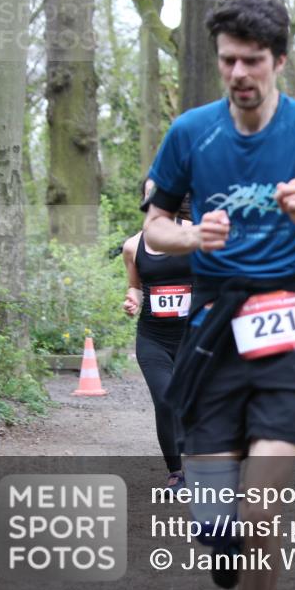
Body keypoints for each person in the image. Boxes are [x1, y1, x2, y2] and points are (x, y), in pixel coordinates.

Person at [140, 0, 295, 590]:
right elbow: (156, 227)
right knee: (218, 528)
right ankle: (217, 538)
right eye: (228, 61)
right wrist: (192, 236)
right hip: (213, 327)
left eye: (252, 61)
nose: (238, 73)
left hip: (289, 322)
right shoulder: (190, 132)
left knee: (261, 509)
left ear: (280, 61)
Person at [122, 179, 194, 492]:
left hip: (195, 337)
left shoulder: (194, 232)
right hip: (153, 338)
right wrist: (132, 298)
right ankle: (176, 472)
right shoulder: (133, 245)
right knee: (165, 400)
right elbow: (135, 285)